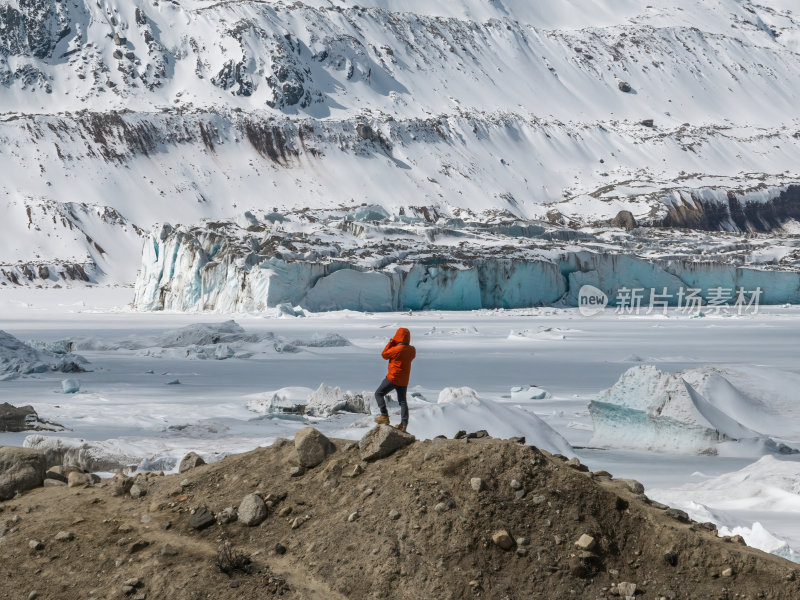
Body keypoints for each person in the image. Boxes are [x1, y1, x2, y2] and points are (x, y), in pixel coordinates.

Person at [374, 327, 416, 432]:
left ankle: (384, 416)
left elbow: (384, 355)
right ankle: (404, 424)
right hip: (404, 380)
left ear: (398, 336)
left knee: (378, 393)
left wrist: (391, 343)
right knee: (402, 401)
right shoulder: (412, 350)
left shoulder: (396, 350)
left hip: (393, 378)